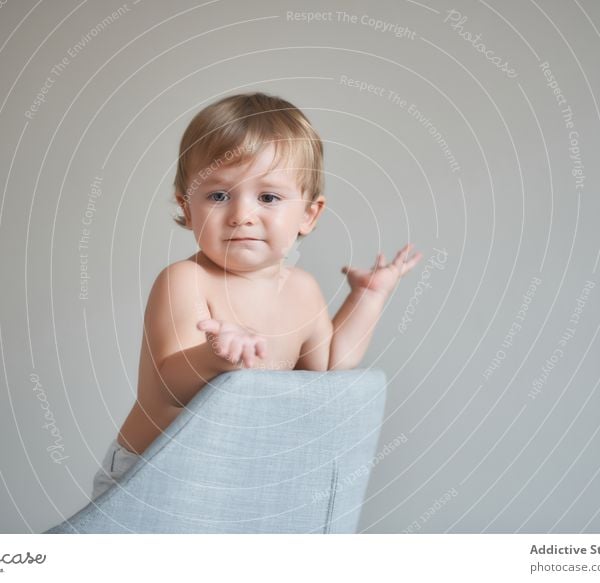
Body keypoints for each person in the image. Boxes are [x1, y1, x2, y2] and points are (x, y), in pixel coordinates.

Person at [91, 92, 423, 499]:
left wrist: (367, 299)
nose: (241, 214)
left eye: (268, 197)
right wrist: (215, 355)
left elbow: (326, 369)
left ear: (308, 214)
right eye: (218, 195)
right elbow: (171, 385)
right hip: (153, 475)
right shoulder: (185, 280)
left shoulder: (302, 289)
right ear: (187, 206)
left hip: (238, 480)